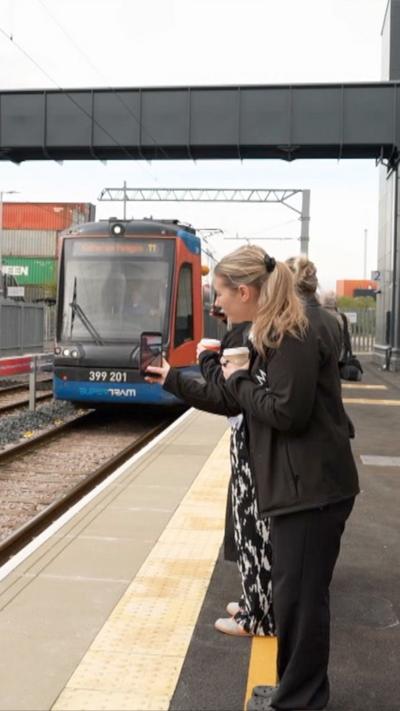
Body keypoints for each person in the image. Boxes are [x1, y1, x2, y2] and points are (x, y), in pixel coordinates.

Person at [147, 245, 359, 711]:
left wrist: (241, 376)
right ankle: (294, 692)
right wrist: (183, 380)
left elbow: (286, 412)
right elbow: (240, 401)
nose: (217, 305)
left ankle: (299, 699)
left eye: (220, 295)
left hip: (311, 489)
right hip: (301, 486)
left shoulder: (293, 332)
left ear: (244, 291)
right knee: (294, 600)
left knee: (301, 605)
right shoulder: (278, 329)